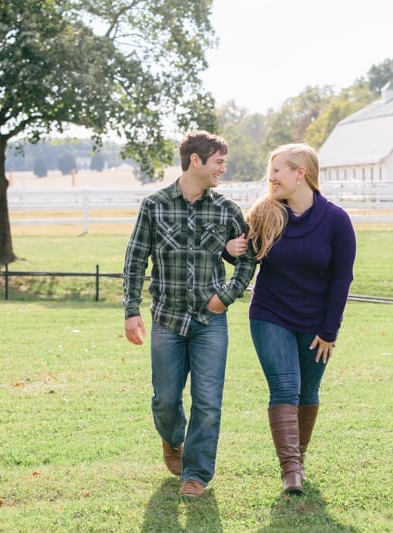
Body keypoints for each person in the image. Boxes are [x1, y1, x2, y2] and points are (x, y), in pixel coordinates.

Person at [123, 130, 256, 498]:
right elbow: (135, 260)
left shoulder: (227, 209)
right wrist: (131, 310)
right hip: (167, 318)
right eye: (218, 162)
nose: (223, 169)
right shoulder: (154, 205)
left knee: (208, 401)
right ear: (195, 161)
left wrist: (225, 297)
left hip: (210, 321)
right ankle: (171, 439)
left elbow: (248, 259)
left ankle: (196, 475)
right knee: (166, 399)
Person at [231, 143, 356, 495]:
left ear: (300, 173)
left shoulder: (336, 220)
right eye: (270, 172)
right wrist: (230, 251)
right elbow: (245, 261)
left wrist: (329, 331)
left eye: (277, 171)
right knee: (285, 387)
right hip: (271, 314)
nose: (270, 178)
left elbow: (341, 279)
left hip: (317, 323)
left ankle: (298, 459)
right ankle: (290, 472)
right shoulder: (265, 213)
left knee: (308, 391)